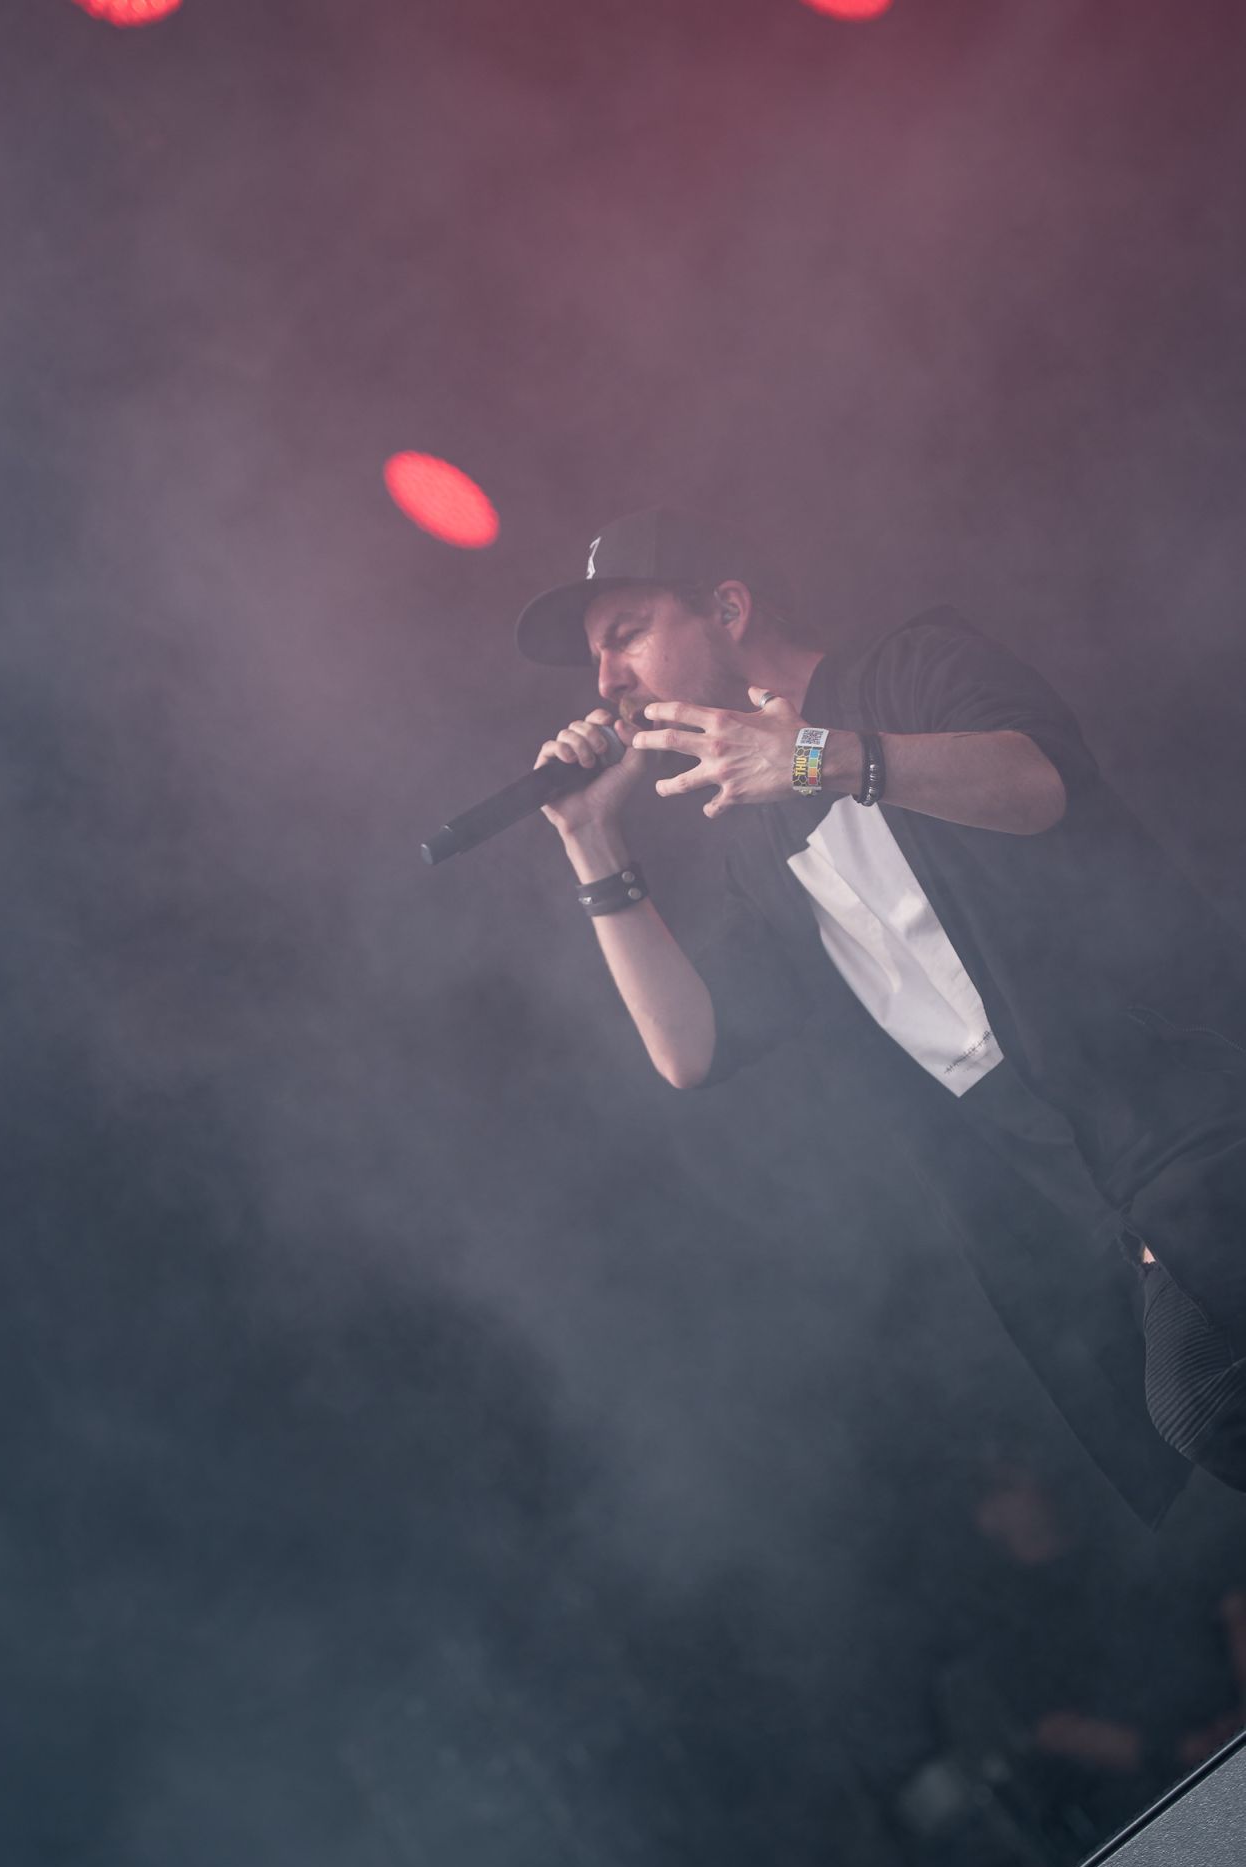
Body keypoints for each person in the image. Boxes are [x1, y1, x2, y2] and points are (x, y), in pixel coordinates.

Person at [516, 507, 1246, 1519]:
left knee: (1205, 1398)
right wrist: (589, 840)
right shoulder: (754, 846)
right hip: (1093, 1204)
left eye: (626, 634)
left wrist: (816, 756)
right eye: (597, 657)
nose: (606, 681)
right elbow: (689, 1049)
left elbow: (1036, 782)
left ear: (726, 608)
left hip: (1195, 1115)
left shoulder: (912, 670)